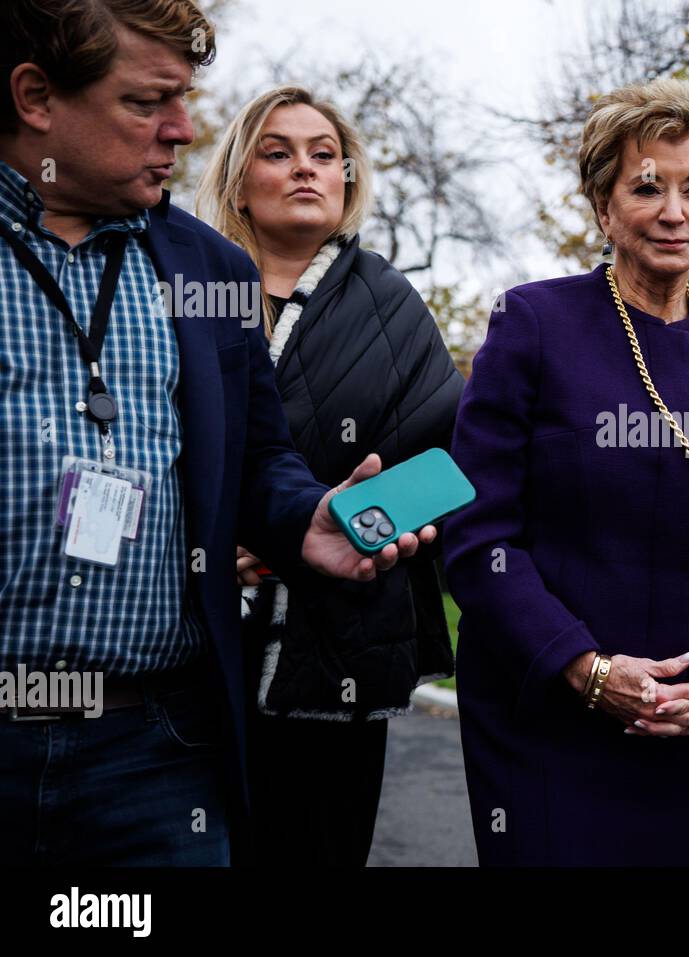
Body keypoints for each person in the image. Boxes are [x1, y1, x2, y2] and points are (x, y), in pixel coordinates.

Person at [0, 0, 432, 866]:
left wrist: (299, 519)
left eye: (186, 99)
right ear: (36, 98)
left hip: (154, 750)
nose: (182, 129)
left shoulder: (207, 270)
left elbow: (260, 455)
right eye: (146, 103)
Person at [444, 77, 689, 866]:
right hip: (549, 720)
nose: (674, 211)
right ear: (604, 208)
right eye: (647, 187)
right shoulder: (533, 323)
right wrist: (588, 668)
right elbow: (477, 538)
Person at [197, 86, 464, 865]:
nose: (306, 168)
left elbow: (441, 465)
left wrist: (317, 531)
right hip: (199, 650)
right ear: (240, 176)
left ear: (349, 179)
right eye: (278, 152)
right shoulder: (186, 291)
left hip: (344, 647)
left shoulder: (392, 305)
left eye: (325, 155)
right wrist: (224, 534)